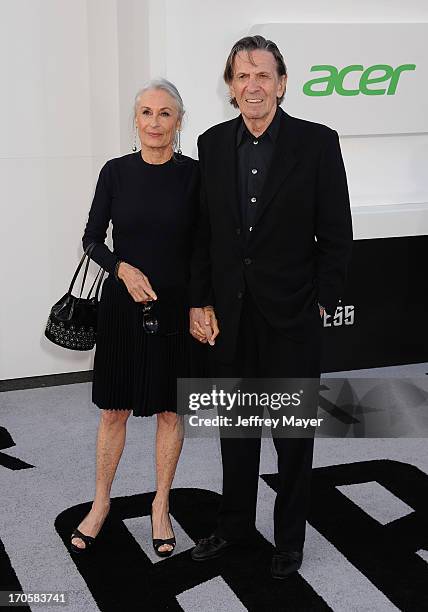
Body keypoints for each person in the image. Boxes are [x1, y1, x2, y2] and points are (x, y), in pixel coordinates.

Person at [189, 35, 353, 578]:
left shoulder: (318, 143)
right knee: (235, 431)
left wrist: (321, 303)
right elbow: (203, 235)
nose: (252, 85)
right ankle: (234, 527)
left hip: (291, 315)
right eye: (242, 76)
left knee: (291, 435)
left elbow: (336, 235)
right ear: (231, 88)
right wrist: (200, 301)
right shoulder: (211, 145)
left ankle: (289, 539)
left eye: (263, 75)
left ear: (282, 84)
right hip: (230, 317)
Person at [70, 79, 203, 557]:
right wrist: (121, 269)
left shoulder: (194, 176)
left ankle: (160, 505)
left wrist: (198, 304)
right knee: (114, 410)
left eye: (165, 113)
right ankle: (101, 503)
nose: (154, 122)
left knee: (171, 410)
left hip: (173, 309)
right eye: (146, 112)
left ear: (179, 121)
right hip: (122, 308)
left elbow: (202, 248)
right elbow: (91, 239)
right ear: (136, 120)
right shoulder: (116, 172)